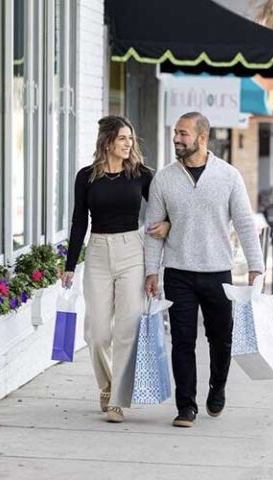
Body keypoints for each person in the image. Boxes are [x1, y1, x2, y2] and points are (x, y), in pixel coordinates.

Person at [144, 112, 264, 428]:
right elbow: (154, 228)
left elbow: (244, 224)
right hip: (178, 272)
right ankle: (186, 406)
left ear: (202, 137)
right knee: (182, 340)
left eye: (183, 134)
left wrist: (256, 266)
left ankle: (217, 388)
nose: (176, 139)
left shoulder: (228, 176)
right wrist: (151, 271)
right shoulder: (164, 179)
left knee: (220, 338)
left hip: (218, 271)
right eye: (175, 133)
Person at [63, 115, 169, 423]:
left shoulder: (141, 175)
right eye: (123, 138)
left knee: (126, 329)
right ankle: (106, 385)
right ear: (108, 141)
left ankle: (118, 400)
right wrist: (70, 265)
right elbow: (79, 220)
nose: (128, 144)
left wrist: (168, 223)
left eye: (131, 139)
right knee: (96, 332)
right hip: (96, 252)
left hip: (131, 251)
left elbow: (164, 207)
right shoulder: (86, 177)